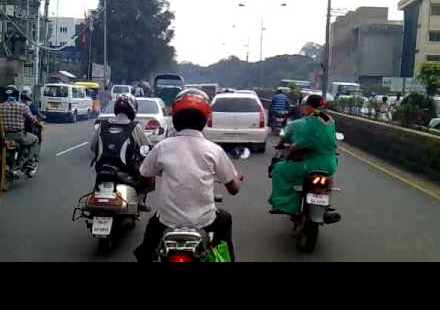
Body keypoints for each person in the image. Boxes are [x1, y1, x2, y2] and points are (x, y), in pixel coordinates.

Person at [134, 89, 243, 262]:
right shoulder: (214, 150)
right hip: (204, 221)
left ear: (175, 117)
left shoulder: (162, 147)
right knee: (225, 218)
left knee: (148, 243)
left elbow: (143, 177)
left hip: (167, 221)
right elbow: (234, 189)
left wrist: (153, 179)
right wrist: (236, 177)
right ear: (204, 118)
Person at [269, 94, 338, 214]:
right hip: (331, 164)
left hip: (313, 164)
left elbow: (301, 143)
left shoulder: (310, 121)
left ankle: (283, 204)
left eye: (304, 106)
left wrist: (289, 154)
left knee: (279, 168)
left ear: (307, 106)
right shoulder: (329, 120)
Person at [90, 93, 153, 212]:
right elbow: (147, 146)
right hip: (126, 169)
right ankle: (139, 201)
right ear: (133, 109)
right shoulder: (134, 127)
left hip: (102, 167)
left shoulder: (103, 125)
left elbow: (93, 147)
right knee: (146, 175)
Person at [0, 85, 41, 169]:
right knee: (35, 139)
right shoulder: (23, 106)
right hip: (19, 136)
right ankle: (29, 162)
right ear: (16, 95)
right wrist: (38, 123)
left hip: (4, 136)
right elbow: (32, 119)